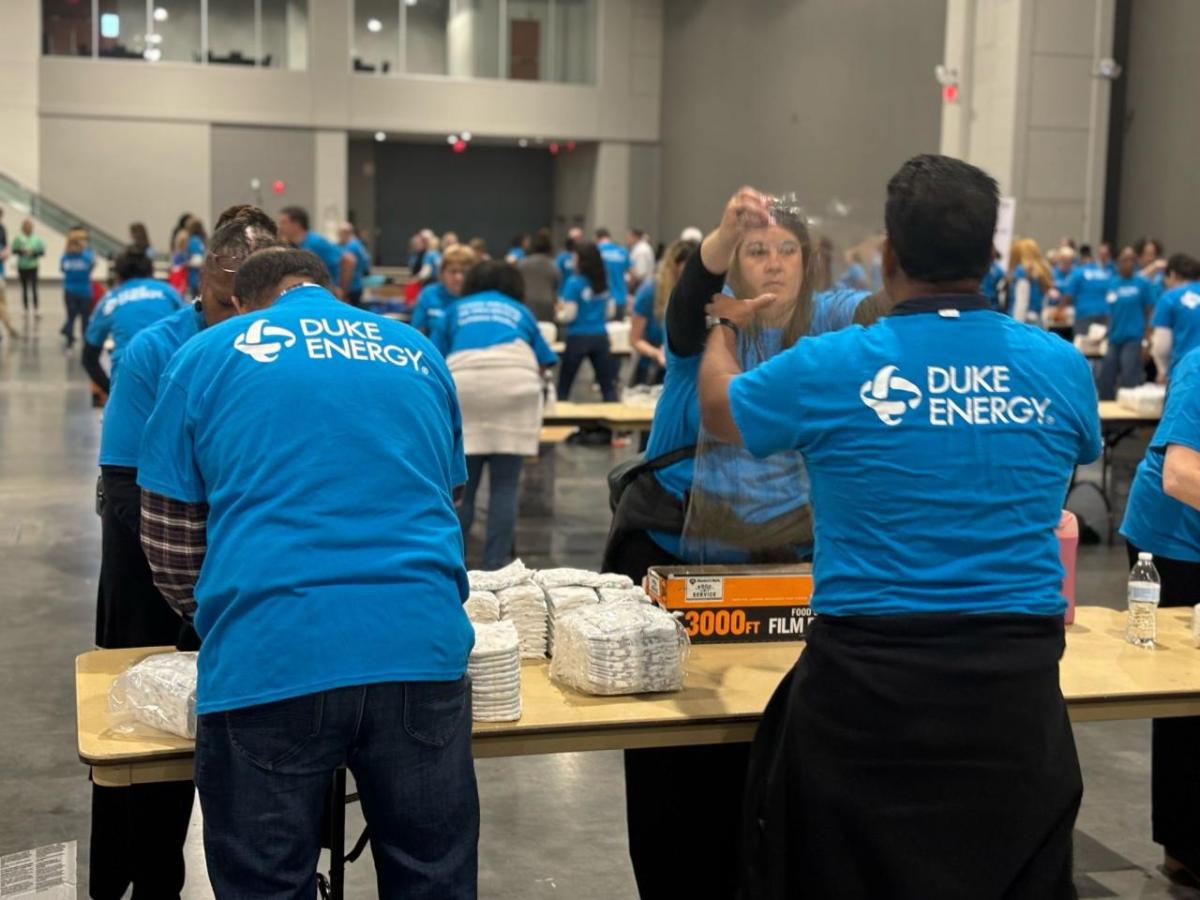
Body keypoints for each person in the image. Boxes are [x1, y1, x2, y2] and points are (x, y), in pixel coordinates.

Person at [695, 154, 1100, 899]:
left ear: (887, 256)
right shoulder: (1062, 367)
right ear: (991, 258)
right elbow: (1079, 453)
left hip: (867, 693)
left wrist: (721, 330)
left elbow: (720, 411)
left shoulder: (831, 365)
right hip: (1014, 696)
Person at [138, 247, 479, 898]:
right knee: (433, 876)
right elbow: (447, 502)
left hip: (271, 649)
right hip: (418, 648)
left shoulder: (207, 355)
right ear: (332, 291)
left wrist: (222, 616)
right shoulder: (417, 352)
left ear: (240, 300)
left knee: (267, 884)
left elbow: (172, 541)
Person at [602, 187, 874, 900]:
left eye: (788, 251)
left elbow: (883, 317)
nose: (775, 265)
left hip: (781, 571)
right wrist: (723, 237)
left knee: (769, 749)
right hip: (674, 561)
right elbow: (690, 299)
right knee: (674, 769)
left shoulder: (827, 322)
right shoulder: (706, 324)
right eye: (758, 251)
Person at [88, 205, 279, 900]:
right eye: (225, 297)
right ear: (203, 283)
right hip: (151, 559)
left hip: (247, 562)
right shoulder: (155, 350)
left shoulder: (280, 349)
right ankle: (134, 878)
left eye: (250, 299)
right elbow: (126, 489)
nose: (238, 313)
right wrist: (193, 599)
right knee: (139, 739)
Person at [1119, 345, 1200, 892]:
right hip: (1171, 546)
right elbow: (1180, 475)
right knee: (1185, 694)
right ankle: (1186, 847)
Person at [432, 261, 558, 569]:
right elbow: (545, 361)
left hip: (466, 388)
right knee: (505, 486)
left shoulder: (456, 309)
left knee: (463, 487)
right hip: (515, 387)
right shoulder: (520, 310)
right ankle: (496, 568)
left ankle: (454, 566)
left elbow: (434, 358)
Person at [82, 248, 184, 395]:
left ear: (118, 275)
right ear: (151, 271)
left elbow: (88, 357)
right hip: (170, 374)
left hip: (128, 376)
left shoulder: (110, 300)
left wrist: (110, 391)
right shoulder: (169, 292)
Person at [557, 242, 617, 401]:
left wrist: (558, 315)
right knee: (607, 386)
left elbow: (569, 315)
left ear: (582, 261)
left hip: (577, 336)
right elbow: (610, 312)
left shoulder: (574, 283)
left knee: (564, 387)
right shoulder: (604, 282)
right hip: (600, 336)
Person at [630, 240, 694, 387]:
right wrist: (657, 353)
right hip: (651, 369)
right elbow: (634, 339)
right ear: (676, 265)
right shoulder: (650, 291)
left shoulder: (692, 292)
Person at [1098, 246, 1156, 399]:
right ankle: (1105, 415)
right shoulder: (1113, 283)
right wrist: (1105, 333)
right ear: (1118, 262)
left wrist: (1147, 341)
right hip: (1114, 338)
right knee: (1105, 378)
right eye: (1125, 260)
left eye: (1132, 260)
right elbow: (1110, 311)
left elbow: (1150, 313)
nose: (1129, 263)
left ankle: (1129, 421)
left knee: (1129, 380)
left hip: (1133, 339)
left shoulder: (1142, 284)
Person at [277, 206, 355, 300]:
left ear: (296, 224)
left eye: (284, 223)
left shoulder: (315, 242)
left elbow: (348, 260)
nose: (280, 227)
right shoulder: (294, 245)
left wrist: (342, 290)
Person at [1150, 253, 1200, 382]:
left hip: (1185, 373)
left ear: (1171, 274)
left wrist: (1162, 370)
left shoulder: (1169, 298)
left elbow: (1161, 346)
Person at [411, 245, 476, 335]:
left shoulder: (477, 297)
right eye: (453, 271)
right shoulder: (429, 294)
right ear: (442, 273)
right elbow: (417, 332)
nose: (459, 278)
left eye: (464, 272)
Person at [1061, 243, 1113, 335]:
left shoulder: (1078, 272)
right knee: (1099, 347)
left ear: (1080, 260)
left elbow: (1068, 295)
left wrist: (1059, 309)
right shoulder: (1105, 274)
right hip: (1104, 314)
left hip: (1084, 314)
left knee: (1082, 345)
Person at [60, 229, 96, 350]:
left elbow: (63, 269)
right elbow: (91, 267)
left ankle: (69, 342)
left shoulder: (65, 256)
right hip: (84, 290)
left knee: (71, 317)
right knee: (85, 319)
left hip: (69, 290)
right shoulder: (87, 256)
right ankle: (86, 343)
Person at [517, 228, 560, 323]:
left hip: (526, 303)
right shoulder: (553, 265)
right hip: (546, 306)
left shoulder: (523, 263)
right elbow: (556, 285)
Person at [1008, 237, 1053, 324]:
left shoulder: (1022, 271)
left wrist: (1017, 327)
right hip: (1038, 320)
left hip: (1024, 321)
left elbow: (1021, 303)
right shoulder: (1042, 272)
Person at [11, 218, 44, 320]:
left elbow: (41, 252)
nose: (27, 229)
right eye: (25, 227)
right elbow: (14, 250)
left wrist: (33, 253)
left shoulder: (37, 239)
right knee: (24, 288)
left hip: (33, 266)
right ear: (23, 228)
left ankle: (36, 309)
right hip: (22, 266)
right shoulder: (18, 238)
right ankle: (25, 309)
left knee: (34, 287)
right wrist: (21, 251)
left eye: (29, 227)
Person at [595, 227, 631, 315]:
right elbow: (631, 274)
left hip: (603, 300)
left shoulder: (596, 251)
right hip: (621, 298)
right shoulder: (622, 251)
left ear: (596, 238)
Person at [339, 221, 372, 307]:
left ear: (346, 233)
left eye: (340, 234)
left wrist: (344, 290)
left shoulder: (351, 246)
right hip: (358, 284)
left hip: (352, 286)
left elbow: (348, 266)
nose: (339, 237)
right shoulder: (357, 244)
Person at [185, 218, 207, 299]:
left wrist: (187, 263)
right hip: (200, 276)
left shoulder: (193, 241)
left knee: (195, 299)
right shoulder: (201, 240)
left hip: (194, 275)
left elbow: (197, 260)